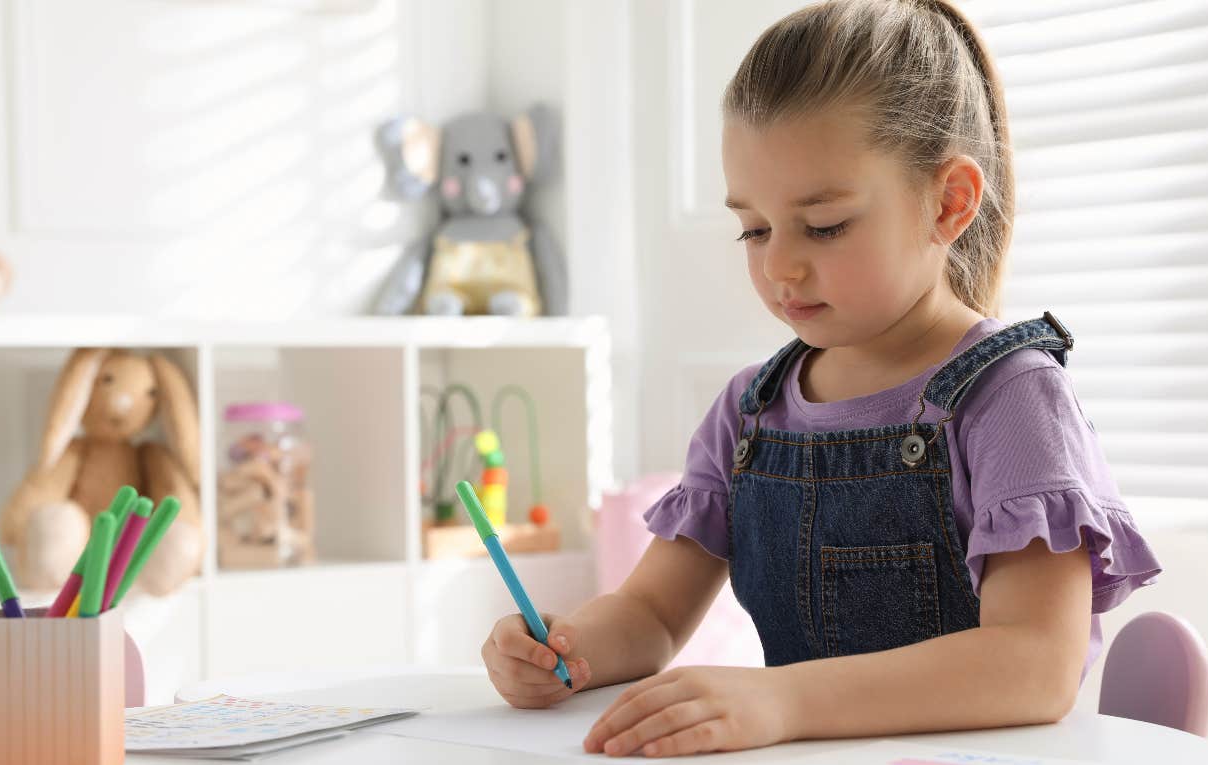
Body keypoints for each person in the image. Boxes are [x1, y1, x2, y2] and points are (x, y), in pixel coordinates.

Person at [481, 1, 1162, 757]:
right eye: (755, 227)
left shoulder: (1012, 399)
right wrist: (563, 648)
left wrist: (783, 698)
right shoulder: (747, 415)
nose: (779, 267)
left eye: (825, 224)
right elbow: (649, 614)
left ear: (949, 201)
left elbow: (1034, 664)